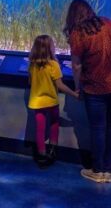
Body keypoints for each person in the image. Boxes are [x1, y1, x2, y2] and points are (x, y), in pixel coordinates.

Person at [64, 0, 111, 183]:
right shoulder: (110, 22)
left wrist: (77, 87)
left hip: (96, 89)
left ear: (72, 16)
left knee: (98, 129)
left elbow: (76, 66)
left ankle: (97, 171)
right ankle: (108, 171)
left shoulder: (78, 33)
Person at [28, 35, 79, 168]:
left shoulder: (32, 65)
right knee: (54, 124)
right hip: (51, 102)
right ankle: (52, 151)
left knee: (40, 128)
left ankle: (41, 154)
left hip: (37, 103)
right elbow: (60, 85)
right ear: (50, 48)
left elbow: (30, 82)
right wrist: (74, 94)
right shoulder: (53, 65)